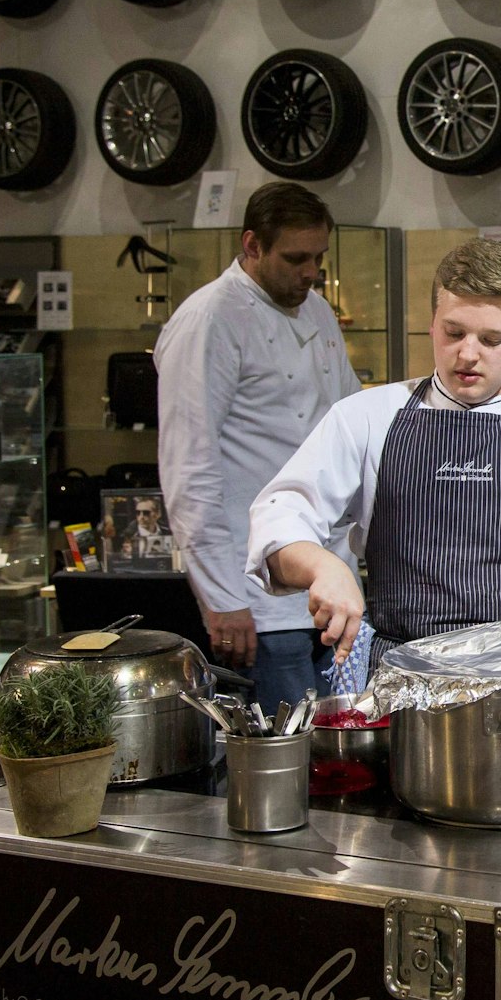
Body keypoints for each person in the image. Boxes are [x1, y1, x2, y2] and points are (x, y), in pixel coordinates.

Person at [247, 237, 501, 662]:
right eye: (454, 332)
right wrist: (324, 566)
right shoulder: (366, 418)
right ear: (432, 323)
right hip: (400, 685)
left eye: (491, 339)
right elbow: (278, 515)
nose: (467, 354)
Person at [154, 183, 360, 710]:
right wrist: (222, 599)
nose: (310, 272)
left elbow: (349, 424)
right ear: (252, 245)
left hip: (329, 586)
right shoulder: (208, 320)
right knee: (282, 757)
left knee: (339, 752)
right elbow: (188, 471)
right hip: (257, 603)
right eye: (295, 258)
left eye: (318, 258)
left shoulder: (315, 309)